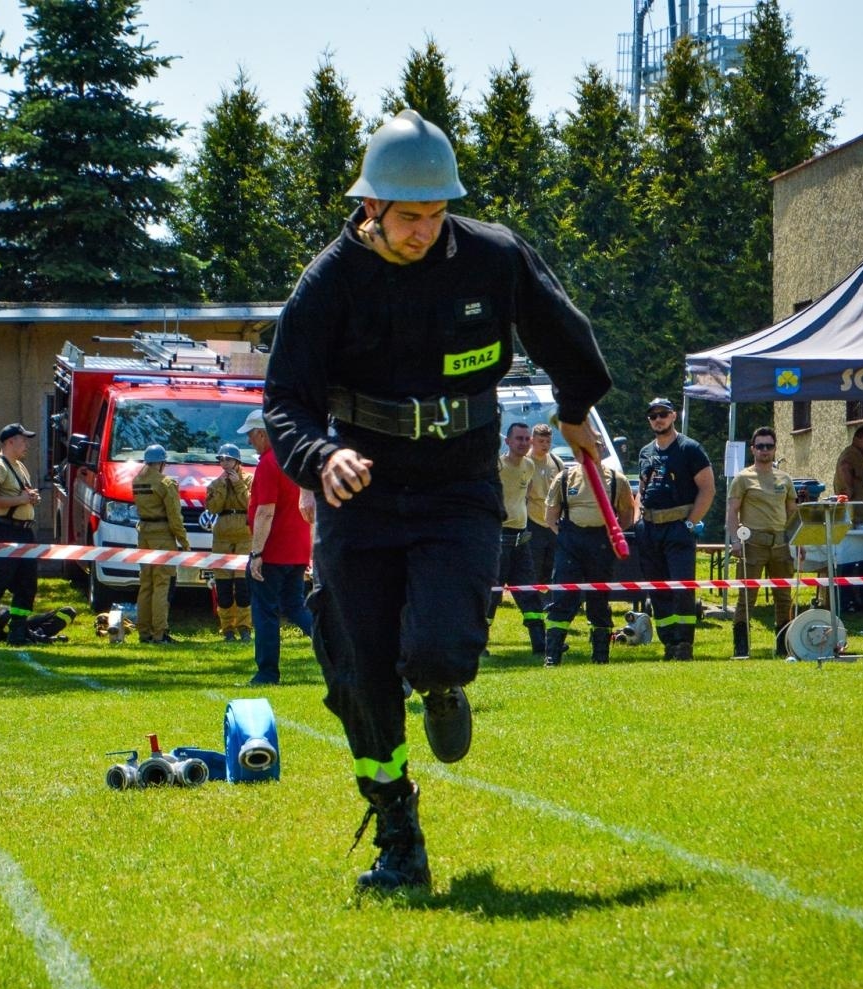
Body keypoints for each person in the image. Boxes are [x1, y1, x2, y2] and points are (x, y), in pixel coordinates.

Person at [262, 110, 611, 891]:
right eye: (409, 217)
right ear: (371, 208)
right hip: (364, 494)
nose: (425, 231)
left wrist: (576, 407)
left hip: (459, 487)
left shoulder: (492, 256)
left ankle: (446, 680)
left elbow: (563, 333)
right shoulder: (328, 283)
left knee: (436, 649)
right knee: (356, 669)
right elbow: (284, 401)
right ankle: (397, 830)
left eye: (436, 214)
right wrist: (321, 457)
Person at [634, 397, 714, 661]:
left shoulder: (690, 448)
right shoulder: (646, 451)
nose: (658, 419)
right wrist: (637, 521)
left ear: (674, 416)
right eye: (653, 415)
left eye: (663, 414)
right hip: (649, 528)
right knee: (658, 588)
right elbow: (641, 490)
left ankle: (683, 644)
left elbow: (707, 489)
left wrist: (690, 523)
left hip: (678, 527)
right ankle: (668, 641)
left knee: (681, 588)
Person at [543, 446, 635, 665]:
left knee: (599, 601)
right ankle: (552, 656)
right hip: (570, 545)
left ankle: (601, 656)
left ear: (601, 451)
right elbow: (550, 517)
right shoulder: (564, 478)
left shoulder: (616, 479)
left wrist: (612, 536)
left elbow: (627, 515)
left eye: (594, 448)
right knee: (563, 599)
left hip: (602, 545)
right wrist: (567, 538)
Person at [241, 409, 312, 684]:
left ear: (262, 433)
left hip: (274, 552)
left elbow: (265, 512)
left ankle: (267, 672)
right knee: (296, 607)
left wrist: (257, 553)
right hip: (297, 550)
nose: (249, 442)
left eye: (250, 435)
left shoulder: (269, 463)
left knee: (265, 611)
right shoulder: (294, 460)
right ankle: (337, 650)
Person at [725, 427, 797, 659]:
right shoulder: (743, 477)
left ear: (775, 449)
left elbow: (793, 514)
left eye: (769, 446)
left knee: (784, 597)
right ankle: (741, 648)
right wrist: (735, 541)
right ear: (753, 449)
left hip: (781, 545)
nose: (764, 450)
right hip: (752, 543)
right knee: (747, 597)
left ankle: (783, 646)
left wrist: (799, 543)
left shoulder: (785, 479)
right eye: (760, 446)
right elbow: (732, 511)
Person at [0, 423, 42, 646]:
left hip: (24, 532)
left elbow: (19, 495)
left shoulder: (20, 466)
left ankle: (18, 634)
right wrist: (21, 500)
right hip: (3, 530)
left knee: (27, 584)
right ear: (10, 441)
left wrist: (31, 498)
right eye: (23, 440)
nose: (27, 445)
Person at [493, 422, 544, 655]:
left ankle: (540, 644)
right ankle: (480, 646)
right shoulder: (497, 467)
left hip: (521, 540)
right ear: (508, 441)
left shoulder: (530, 466)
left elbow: (524, 496)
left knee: (529, 593)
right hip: (498, 540)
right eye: (519, 439)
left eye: (526, 439)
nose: (524, 443)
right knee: (491, 594)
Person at [132, 443, 189, 644]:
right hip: (162, 537)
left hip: (144, 535)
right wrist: (183, 541)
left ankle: (144, 632)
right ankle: (160, 633)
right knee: (162, 585)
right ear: (163, 463)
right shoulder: (166, 483)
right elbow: (175, 517)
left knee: (146, 584)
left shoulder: (137, 481)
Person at [204, 441, 253, 641]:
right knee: (223, 587)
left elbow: (251, 504)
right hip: (222, 536)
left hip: (244, 535)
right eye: (221, 460)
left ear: (237, 461)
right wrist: (223, 486)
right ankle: (227, 630)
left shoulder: (249, 480)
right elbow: (213, 508)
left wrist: (237, 484)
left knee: (243, 587)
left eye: (228, 459)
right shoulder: (215, 484)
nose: (224, 463)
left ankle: (244, 628)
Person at [833, 423, 863, 611]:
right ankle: (851, 600)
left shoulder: (858, 456)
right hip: (857, 519)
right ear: (857, 439)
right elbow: (845, 467)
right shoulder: (852, 454)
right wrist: (849, 488)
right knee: (854, 560)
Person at [526, 423, 562, 585]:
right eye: (541, 441)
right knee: (533, 566)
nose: (545, 445)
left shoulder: (556, 461)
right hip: (532, 521)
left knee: (553, 566)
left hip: (553, 522)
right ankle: (535, 602)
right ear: (532, 441)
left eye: (548, 442)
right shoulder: (525, 462)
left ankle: (550, 601)